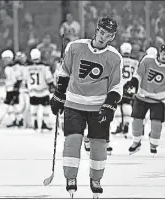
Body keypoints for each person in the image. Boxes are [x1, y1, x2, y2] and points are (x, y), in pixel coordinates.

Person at [50, 16, 123, 198]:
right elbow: (64, 71)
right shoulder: (75, 47)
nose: (103, 37)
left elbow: (116, 86)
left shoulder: (114, 57)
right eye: (102, 32)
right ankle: (71, 177)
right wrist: (59, 94)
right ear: (97, 30)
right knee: (73, 140)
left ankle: (95, 179)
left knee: (99, 146)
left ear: (112, 37)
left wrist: (109, 106)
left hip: (98, 108)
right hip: (73, 104)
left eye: (108, 35)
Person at [128, 44, 165, 155]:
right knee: (137, 121)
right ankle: (136, 143)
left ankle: (153, 144)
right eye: (163, 53)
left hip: (157, 100)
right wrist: (134, 81)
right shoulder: (148, 60)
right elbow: (139, 73)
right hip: (141, 96)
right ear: (159, 52)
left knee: (156, 125)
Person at [111, 42, 139, 138]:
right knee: (127, 105)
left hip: (118, 86)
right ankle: (126, 124)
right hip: (130, 87)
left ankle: (119, 125)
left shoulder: (117, 60)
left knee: (118, 106)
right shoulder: (135, 62)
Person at [25, 48, 54, 132]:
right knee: (45, 107)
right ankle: (44, 124)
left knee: (34, 107)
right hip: (43, 90)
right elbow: (48, 78)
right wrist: (51, 85)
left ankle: (35, 123)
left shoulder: (27, 67)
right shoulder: (44, 66)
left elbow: (25, 78)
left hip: (32, 91)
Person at [2, 50, 23, 127]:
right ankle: (17, 120)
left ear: (10, 58)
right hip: (9, 89)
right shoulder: (7, 67)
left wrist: (16, 88)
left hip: (13, 89)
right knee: (13, 105)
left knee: (13, 105)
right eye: (3, 59)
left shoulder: (14, 67)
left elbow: (19, 78)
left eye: (6, 58)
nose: (4, 60)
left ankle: (18, 119)